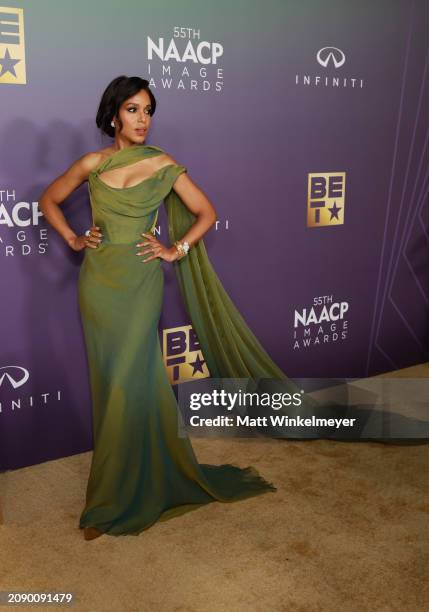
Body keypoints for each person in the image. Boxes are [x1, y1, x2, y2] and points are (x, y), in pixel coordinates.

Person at [39, 75, 290, 540]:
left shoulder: (163, 164)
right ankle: (120, 486)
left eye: (148, 110)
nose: (142, 120)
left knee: (131, 381)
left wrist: (175, 250)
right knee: (111, 382)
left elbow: (206, 213)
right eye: (132, 110)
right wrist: (75, 238)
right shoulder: (93, 163)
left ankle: (111, 499)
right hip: (98, 284)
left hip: (140, 283)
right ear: (114, 114)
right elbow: (48, 200)